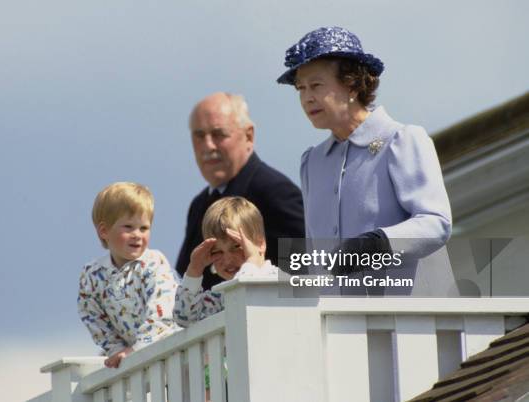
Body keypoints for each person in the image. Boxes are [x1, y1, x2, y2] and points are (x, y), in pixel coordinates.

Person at [276, 27, 454, 295]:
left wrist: (378, 244)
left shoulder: (401, 139)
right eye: (301, 89)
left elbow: (436, 223)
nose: (306, 98)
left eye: (316, 85)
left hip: (413, 323)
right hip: (342, 326)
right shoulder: (312, 163)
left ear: (351, 84)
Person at [176, 92, 304, 290]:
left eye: (219, 134)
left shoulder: (274, 191)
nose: (208, 145)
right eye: (199, 136)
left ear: (248, 136)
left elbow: (305, 274)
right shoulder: (199, 204)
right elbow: (184, 277)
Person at [78, 182, 180, 368]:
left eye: (144, 228)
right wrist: (115, 349)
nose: (137, 235)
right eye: (128, 227)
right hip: (136, 359)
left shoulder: (153, 263)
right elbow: (91, 315)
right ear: (104, 231)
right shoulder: (93, 274)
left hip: (174, 348)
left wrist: (137, 349)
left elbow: (162, 312)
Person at [174, 196, 278, 327]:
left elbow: (243, 298)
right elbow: (184, 318)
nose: (228, 259)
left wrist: (252, 261)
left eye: (236, 246)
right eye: (217, 252)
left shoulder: (277, 282)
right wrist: (195, 269)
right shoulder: (220, 297)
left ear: (260, 244)